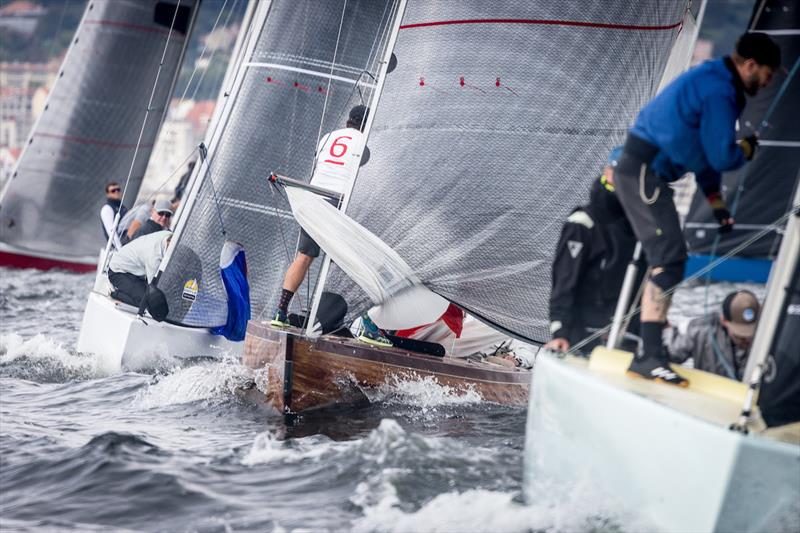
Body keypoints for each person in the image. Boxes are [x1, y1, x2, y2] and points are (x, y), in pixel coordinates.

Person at [614, 32, 780, 386]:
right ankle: (649, 357)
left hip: (646, 175)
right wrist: (747, 148)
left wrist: (718, 208)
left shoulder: (716, 82)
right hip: (643, 172)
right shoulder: (719, 90)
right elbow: (722, 156)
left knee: (665, 258)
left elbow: (704, 161)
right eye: (767, 74)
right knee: (670, 259)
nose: (767, 84)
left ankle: (641, 345)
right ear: (750, 65)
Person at [270, 106, 391, 346]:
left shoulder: (328, 137)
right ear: (368, 124)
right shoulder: (365, 141)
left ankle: (280, 313)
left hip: (313, 200)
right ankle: (369, 327)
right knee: (354, 263)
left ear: (348, 121)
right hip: (336, 204)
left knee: (303, 257)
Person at [544, 148, 643, 355]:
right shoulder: (582, 223)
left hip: (623, 337)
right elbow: (564, 280)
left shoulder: (640, 226)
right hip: (579, 336)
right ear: (608, 173)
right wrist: (560, 332)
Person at [664, 290, 760, 381]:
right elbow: (669, 356)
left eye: (751, 334)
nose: (747, 339)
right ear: (724, 321)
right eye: (740, 335)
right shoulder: (699, 330)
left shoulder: (769, 336)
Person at [107, 230, 171, 320]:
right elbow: (153, 288)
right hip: (118, 272)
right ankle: (115, 293)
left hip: (135, 271)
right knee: (149, 301)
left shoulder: (169, 235)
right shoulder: (153, 257)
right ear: (168, 242)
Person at [100, 182, 128, 249]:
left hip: (127, 239)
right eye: (113, 191)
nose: (116, 192)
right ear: (108, 194)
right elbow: (111, 231)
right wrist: (120, 249)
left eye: (118, 189)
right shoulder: (107, 208)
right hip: (120, 244)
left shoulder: (122, 207)